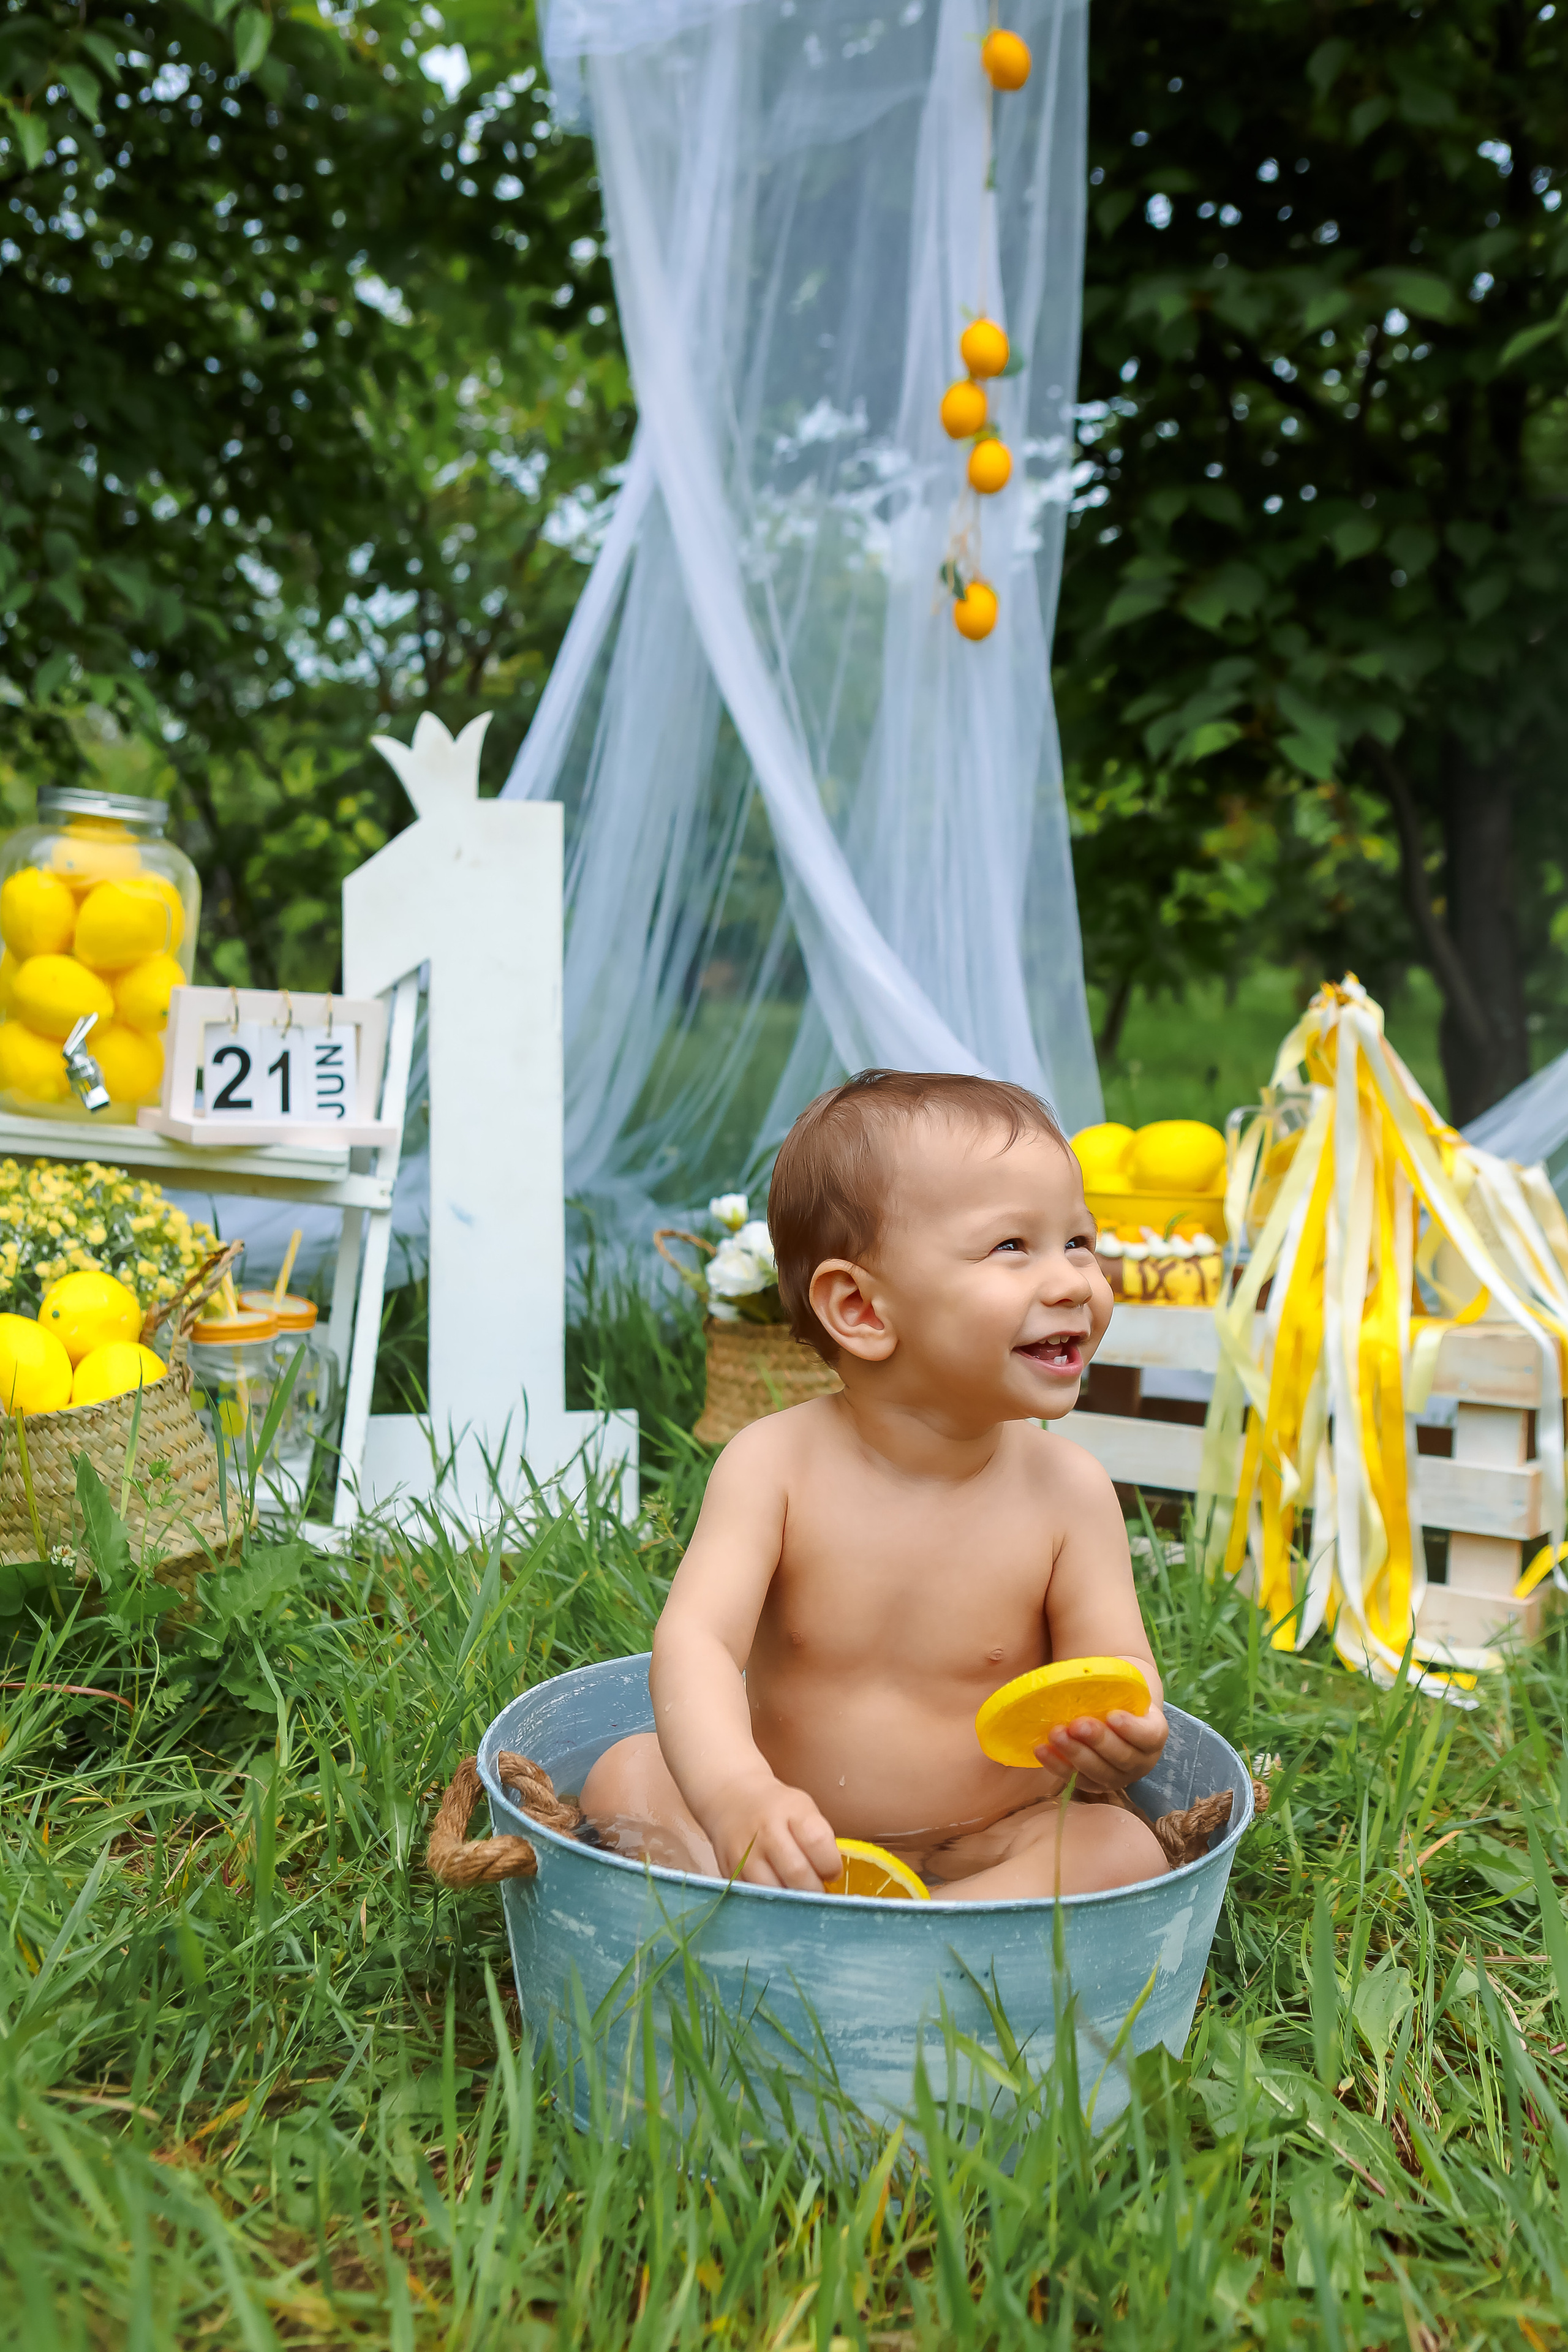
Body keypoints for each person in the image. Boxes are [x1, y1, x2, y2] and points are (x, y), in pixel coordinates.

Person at [582, 1069, 1170, 1899]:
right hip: (788, 1832)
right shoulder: (773, 1465)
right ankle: (796, 1908)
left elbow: (1119, 1671)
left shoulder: (1068, 1492)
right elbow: (698, 1645)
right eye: (1013, 1246)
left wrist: (1129, 1735)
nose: (1075, 1280)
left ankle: (903, 1938)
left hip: (988, 1839)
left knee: (1122, 1848)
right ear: (860, 1309)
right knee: (628, 1774)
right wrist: (737, 1795)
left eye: (1078, 1242)